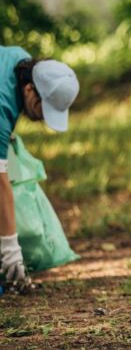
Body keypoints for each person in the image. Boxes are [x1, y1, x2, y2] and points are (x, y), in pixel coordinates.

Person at [0, 46, 79, 289]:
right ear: (29, 89)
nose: (43, 118)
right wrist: (10, 247)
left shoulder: (18, 60)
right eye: (42, 109)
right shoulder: (2, 106)